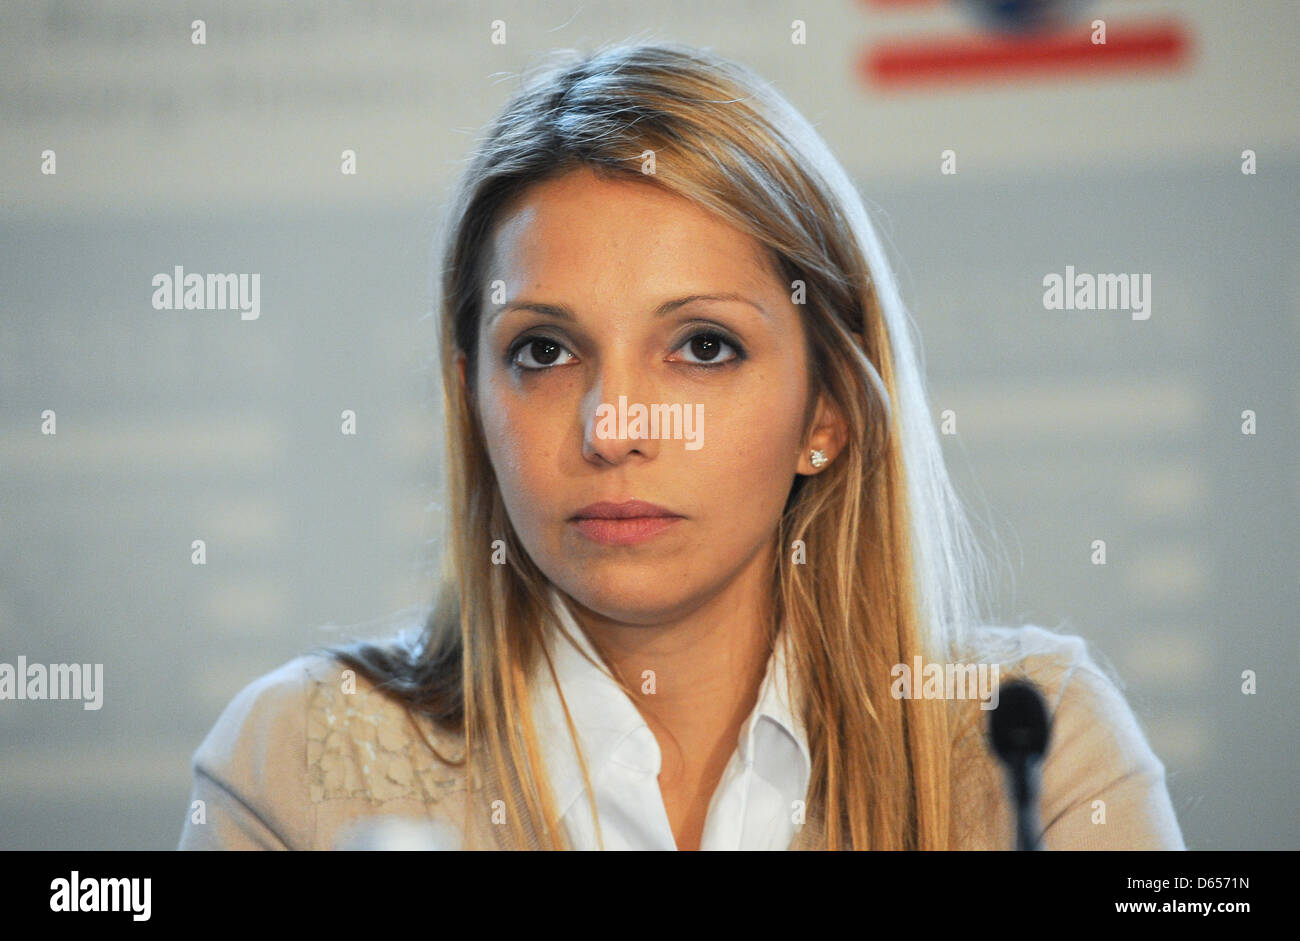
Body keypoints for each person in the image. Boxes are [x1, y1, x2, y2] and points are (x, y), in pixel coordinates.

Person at [178, 40, 1184, 851]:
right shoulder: (298, 761)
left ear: (826, 409)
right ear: (471, 400)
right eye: (543, 349)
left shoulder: (1031, 743)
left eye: (702, 346)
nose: (613, 428)